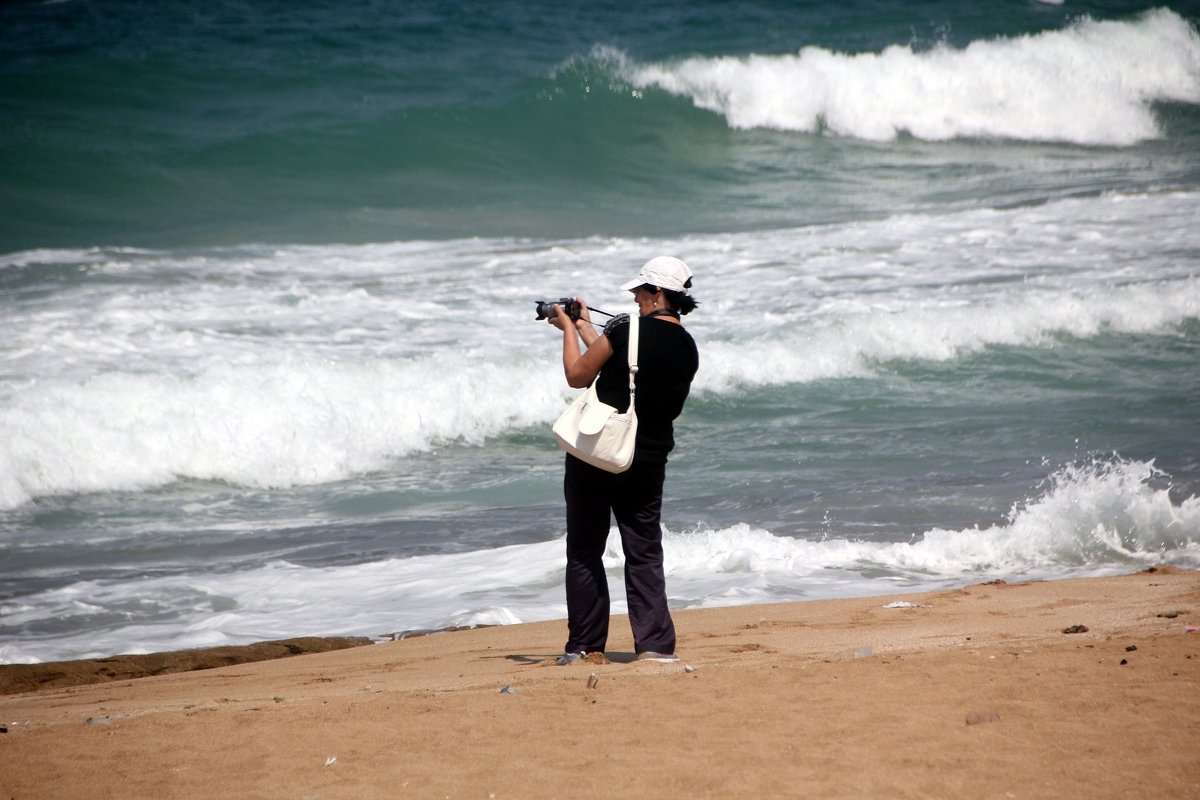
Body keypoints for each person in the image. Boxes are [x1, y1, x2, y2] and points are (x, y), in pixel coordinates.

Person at [545, 256, 700, 664]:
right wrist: (583, 325)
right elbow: (625, 366)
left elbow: (579, 374)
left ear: (656, 293)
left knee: (584, 550)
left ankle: (584, 645)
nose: (634, 296)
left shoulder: (625, 328)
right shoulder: (687, 346)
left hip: (598, 457)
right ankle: (654, 646)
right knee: (645, 552)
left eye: (639, 290)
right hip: (647, 460)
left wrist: (565, 331)